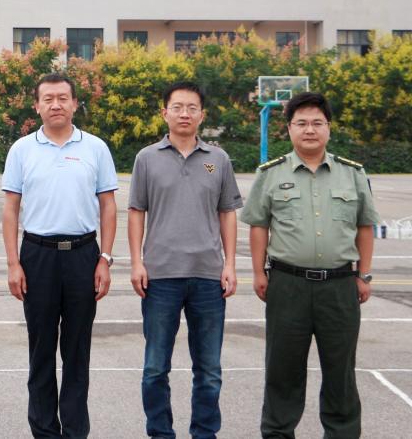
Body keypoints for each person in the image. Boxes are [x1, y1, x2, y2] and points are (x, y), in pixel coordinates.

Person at [241, 91, 379, 439]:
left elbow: (365, 226)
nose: (309, 129)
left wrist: (364, 274)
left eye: (317, 122)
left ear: (329, 128)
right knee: (282, 370)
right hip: (288, 284)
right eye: (301, 123)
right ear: (289, 129)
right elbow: (259, 225)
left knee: (340, 372)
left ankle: (342, 433)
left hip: (340, 286)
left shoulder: (352, 174)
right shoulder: (271, 174)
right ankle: (277, 432)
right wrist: (258, 273)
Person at [1, 73, 118, 439]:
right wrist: (13, 263)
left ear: (74, 104)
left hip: (84, 255)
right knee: (41, 351)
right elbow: (10, 209)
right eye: (48, 99)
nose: (56, 105)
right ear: (37, 106)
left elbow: (108, 206)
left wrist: (105, 258)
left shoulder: (95, 148)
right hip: (37, 257)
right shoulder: (22, 149)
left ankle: (75, 431)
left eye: (63, 98)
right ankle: (44, 431)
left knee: (77, 351)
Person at [127, 81, 243, 439]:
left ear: (201, 115)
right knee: (155, 368)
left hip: (208, 276)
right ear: (165, 113)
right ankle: (160, 432)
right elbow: (136, 211)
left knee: (208, 370)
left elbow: (227, 213)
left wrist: (229, 264)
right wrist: (136, 262)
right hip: (160, 276)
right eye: (177, 107)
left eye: (192, 108)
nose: (184, 114)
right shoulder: (147, 158)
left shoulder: (218, 159)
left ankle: (204, 433)